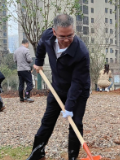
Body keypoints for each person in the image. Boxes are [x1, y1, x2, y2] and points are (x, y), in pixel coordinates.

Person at [26, 14, 90, 160]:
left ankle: (72, 157)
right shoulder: (48, 36)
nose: (67, 40)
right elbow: (41, 45)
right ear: (54, 32)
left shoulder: (81, 52)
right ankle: (37, 153)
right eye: (62, 36)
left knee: (75, 123)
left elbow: (77, 82)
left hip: (78, 90)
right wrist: (39, 61)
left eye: (70, 35)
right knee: (47, 120)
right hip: (57, 88)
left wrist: (69, 106)